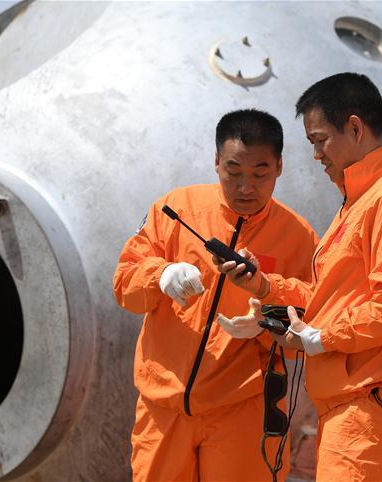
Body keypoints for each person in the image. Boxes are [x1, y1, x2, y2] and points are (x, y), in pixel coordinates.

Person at [217, 73, 382, 481]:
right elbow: (330, 298)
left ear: (355, 128)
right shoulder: (358, 203)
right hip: (356, 402)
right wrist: (265, 286)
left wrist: (322, 338)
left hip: (373, 401)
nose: (317, 154)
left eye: (319, 140)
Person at [112, 109, 319, 481]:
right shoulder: (174, 210)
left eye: (260, 174)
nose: (245, 188)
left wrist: (265, 323)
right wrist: (160, 275)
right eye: (233, 171)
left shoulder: (298, 236)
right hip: (163, 407)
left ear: (280, 167)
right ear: (215, 162)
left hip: (243, 410)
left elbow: (314, 318)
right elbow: (124, 285)